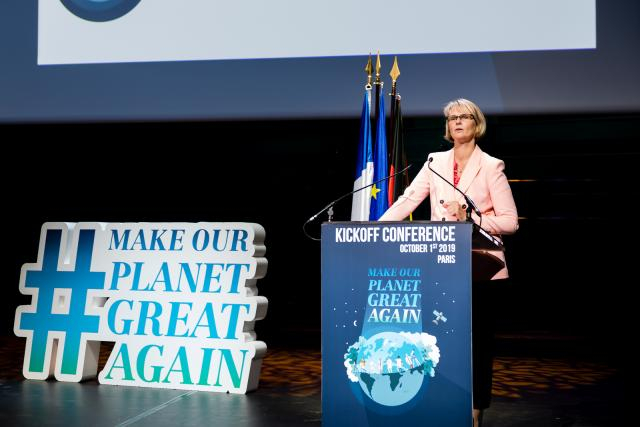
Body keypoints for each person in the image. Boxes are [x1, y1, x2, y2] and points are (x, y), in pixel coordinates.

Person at [379, 98, 518, 427]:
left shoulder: (491, 166)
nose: (457, 121)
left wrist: (471, 217)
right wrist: (377, 230)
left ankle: (475, 409)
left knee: (477, 346)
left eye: (464, 116)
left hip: (480, 269)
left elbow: (510, 222)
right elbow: (409, 200)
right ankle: (440, 402)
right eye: (452, 117)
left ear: (476, 124)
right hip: (440, 267)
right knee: (437, 340)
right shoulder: (434, 162)